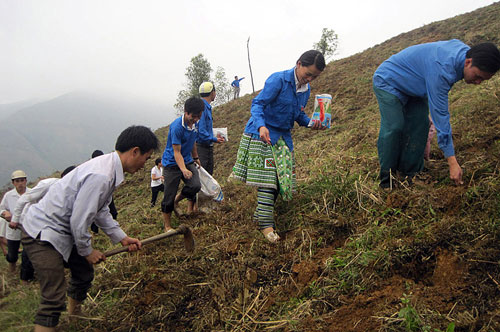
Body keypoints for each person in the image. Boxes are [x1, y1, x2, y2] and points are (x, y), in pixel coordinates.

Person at [21, 125, 158, 332]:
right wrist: (86, 251)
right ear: (135, 151)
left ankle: (74, 317)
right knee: (53, 296)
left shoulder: (109, 170)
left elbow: (101, 210)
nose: (144, 165)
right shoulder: (101, 175)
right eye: (146, 158)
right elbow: (79, 219)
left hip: (63, 230)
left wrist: (122, 238)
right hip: (42, 232)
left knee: (83, 273)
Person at [373, 40, 500, 189]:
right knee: (394, 127)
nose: (478, 82)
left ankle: (411, 174)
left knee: (421, 124)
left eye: (483, 80)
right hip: (389, 80)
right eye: (478, 76)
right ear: (468, 62)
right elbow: (441, 116)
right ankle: (387, 181)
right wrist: (452, 161)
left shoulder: (468, 54)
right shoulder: (443, 69)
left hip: (416, 85)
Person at [233, 50, 326, 243]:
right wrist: (261, 125)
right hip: (263, 133)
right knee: (268, 182)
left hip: (283, 136)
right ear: (299, 64)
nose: (309, 79)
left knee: (280, 180)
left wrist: (312, 123)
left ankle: (260, 216)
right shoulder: (278, 80)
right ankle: (266, 226)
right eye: (308, 74)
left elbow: (298, 115)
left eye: (314, 77)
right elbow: (257, 104)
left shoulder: (305, 90)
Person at [10, 166, 76, 283]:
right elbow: (24, 199)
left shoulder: (74, 190)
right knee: (29, 251)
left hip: (53, 225)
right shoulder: (48, 184)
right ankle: (25, 279)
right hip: (33, 222)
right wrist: (15, 220)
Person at [161, 97, 204, 233]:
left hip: (187, 159)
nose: (195, 119)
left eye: (198, 116)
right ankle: (167, 226)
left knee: (195, 185)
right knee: (168, 195)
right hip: (172, 163)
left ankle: (177, 200)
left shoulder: (195, 124)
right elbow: (176, 152)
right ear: (186, 112)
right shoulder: (177, 127)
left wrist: (196, 157)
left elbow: (193, 142)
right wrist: (183, 169)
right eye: (193, 116)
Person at [0, 170, 29, 273]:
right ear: (13, 183)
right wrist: (5, 213)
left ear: (26, 181)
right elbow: (1, 209)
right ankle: (12, 270)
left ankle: (25, 275)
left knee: (28, 254)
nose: (20, 183)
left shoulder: (32, 193)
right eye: (17, 181)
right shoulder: (9, 195)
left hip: (28, 228)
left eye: (22, 180)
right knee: (12, 255)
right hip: (13, 229)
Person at [197, 82, 226, 175]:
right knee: (203, 176)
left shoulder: (206, 107)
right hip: (201, 148)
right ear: (212, 92)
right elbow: (201, 131)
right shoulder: (202, 107)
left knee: (208, 176)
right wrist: (214, 139)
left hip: (207, 146)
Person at [90, 149, 118, 233]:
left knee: (112, 211)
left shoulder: (106, 166)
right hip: (97, 195)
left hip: (106, 193)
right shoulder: (92, 169)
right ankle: (96, 230)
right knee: (96, 213)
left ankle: (111, 226)